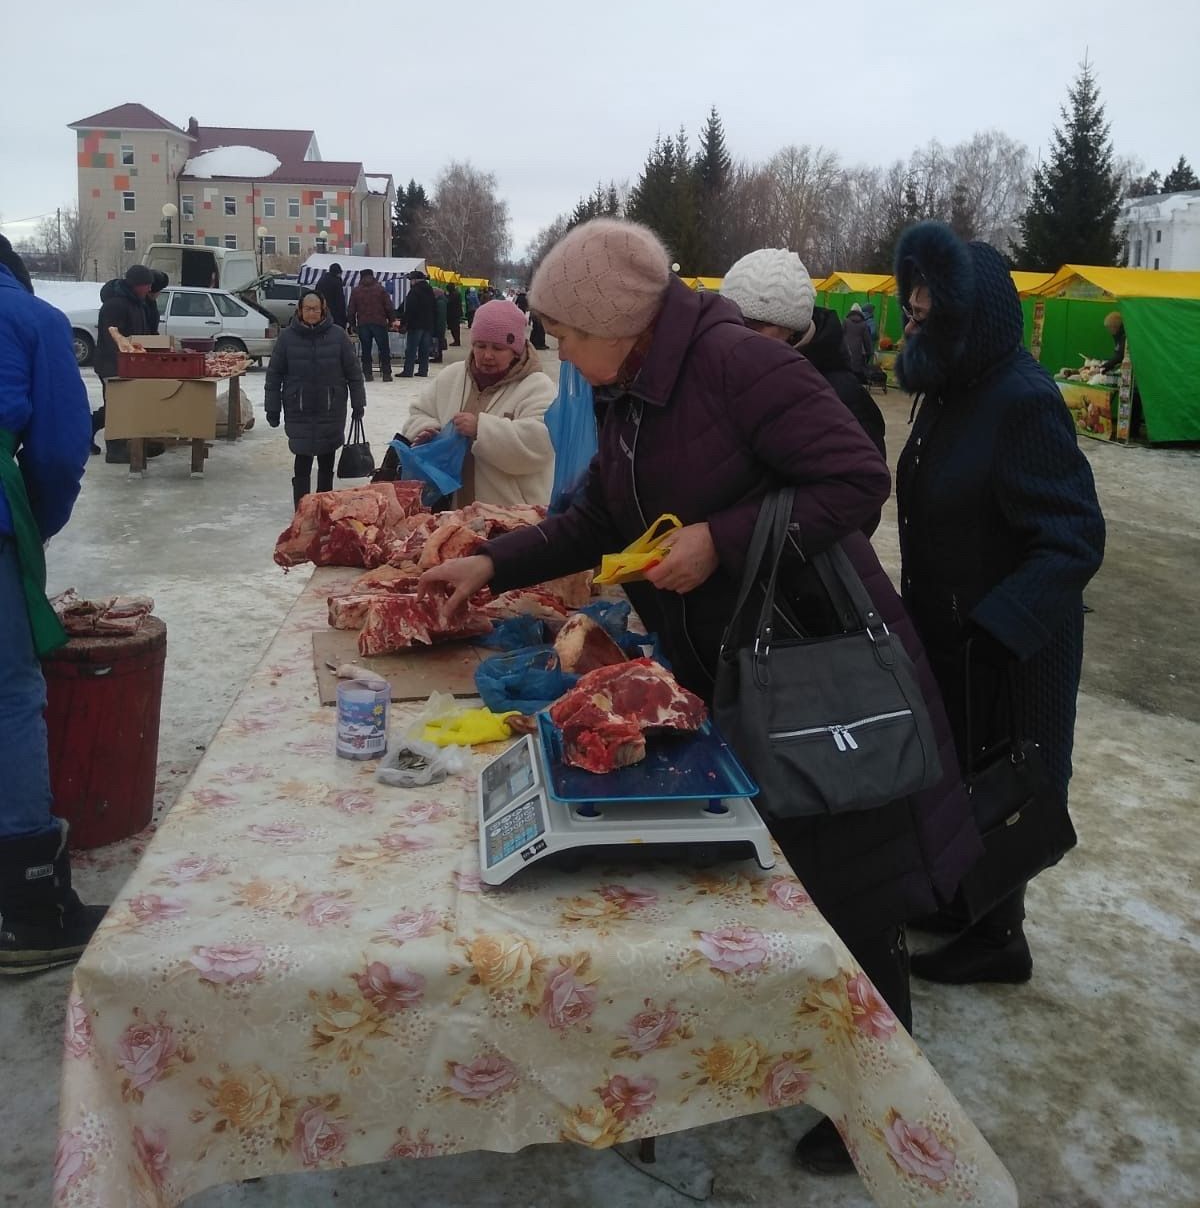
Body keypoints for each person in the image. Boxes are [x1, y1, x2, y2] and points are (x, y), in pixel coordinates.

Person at [421, 219, 980, 1176]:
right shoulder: (634, 389)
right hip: (728, 663)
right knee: (785, 868)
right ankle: (794, 1036)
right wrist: (491, 559)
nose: (556, 352)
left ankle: (878, 1091)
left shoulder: (735, 367)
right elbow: (601, 514)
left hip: (814, 665)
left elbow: (855, 478)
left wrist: (721, 538)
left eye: (562, 331)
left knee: (850, 875)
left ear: (614, 320)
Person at [893, 221, 1105, 986]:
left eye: (927, 317)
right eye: (910, 313)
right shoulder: (952, 392)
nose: (912, 326)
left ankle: (999, 939)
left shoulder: (1020, 400)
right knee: (956, 778)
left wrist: (1000, 630)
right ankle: (961, 903)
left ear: (968, 319)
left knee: (1005, 780)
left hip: (1012, 644)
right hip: (953, 631)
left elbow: (1074, 537)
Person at [0, 238, 105, 974]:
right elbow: (63, 451)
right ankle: (31, 910)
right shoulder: (27, 318)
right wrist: (29, 521)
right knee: (9, 696)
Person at [721, 249, 886, 524]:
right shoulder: (727, 369)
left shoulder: (844, 397)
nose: (738, 336)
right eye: (730, 323)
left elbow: (860, 508)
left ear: (791, 328)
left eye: (752, 326)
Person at [402, 298, 556, 507]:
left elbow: (541, 444)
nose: (487, 355)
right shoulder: (452, 376)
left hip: (511, 516)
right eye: (480, 345)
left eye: (498, 348)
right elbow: (419, 412)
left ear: (516, 351)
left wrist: (481, 429)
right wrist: (428, 430)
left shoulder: (537, 387)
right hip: (451, 512)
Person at [265, 291, 366, 508]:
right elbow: (274, 374)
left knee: (326, 461)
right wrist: (272, 407)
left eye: (316, 309)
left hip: (330, 408)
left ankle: (323, 508)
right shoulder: (287, 338)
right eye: (308, 309)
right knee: (302, 460)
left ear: (323, 310)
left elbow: (354, 373)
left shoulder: (338, 336)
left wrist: (359, 402)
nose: (312, 313)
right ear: (300, 311)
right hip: (298, 408)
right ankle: (302, 508)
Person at [94, 264, 157, 464]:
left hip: (131, 364)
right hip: (113, 364)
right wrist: (123, 363)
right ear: (135, 285)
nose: (149, 290)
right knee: (115, 408)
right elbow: (112, 337)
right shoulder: (115, 305)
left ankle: (134, 442)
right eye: (146, 285)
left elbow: (141, 335)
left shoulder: (137, 303)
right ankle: (115, 449)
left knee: (127, 405)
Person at [347, 270, 398, 382]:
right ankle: (386, 374)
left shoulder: (356, 291)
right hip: (379, 322)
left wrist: (352, 324)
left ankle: (368, 374)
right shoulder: (380, 289)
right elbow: (388, 306)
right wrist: (392, 319)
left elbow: (351, 310)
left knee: (366, 350)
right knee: (384, 349)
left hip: (363, 323)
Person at [400, 269, 438, 379]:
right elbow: (434, 308)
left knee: (411, 349)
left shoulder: (415, 291)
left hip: (416, 324)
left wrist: (404, 322)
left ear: (415, 280)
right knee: (424, 349)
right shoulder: (430, 290)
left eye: (411, 280)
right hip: (428, 324)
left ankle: (408, 371)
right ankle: (423, 370)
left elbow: (410, 308)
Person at [842, 301, 874, 381]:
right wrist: (869, 352)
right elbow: (867, 340)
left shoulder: (845, 322)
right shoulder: (863, 324)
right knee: (855, 373)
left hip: (846, 351)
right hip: (858, 352)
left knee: (846, 371)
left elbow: (840, 336)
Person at [315, 262, 348, 329]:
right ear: (338, 272)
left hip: (321, 312)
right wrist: (343, 319)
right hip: (334, 315)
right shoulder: (336, 282)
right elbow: (340, 301)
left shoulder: (321, 280)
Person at [433, 285, 449, 364]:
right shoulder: (442, 301)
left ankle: (438, 357)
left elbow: (440, 316)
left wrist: (438, 326)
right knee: (439, 341)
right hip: (441, 324)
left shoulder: (440, 302)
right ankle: (438, 357)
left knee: (439, 341)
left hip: (440, 325)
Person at [446, 284, 463, 348]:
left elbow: (449, 302)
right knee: (455, 328)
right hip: (456, 313)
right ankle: (456, 340)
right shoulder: (456, 293)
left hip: (453, 314)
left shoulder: (453, 295)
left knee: (454, 328)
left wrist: (446, 296)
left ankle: (457, 341)